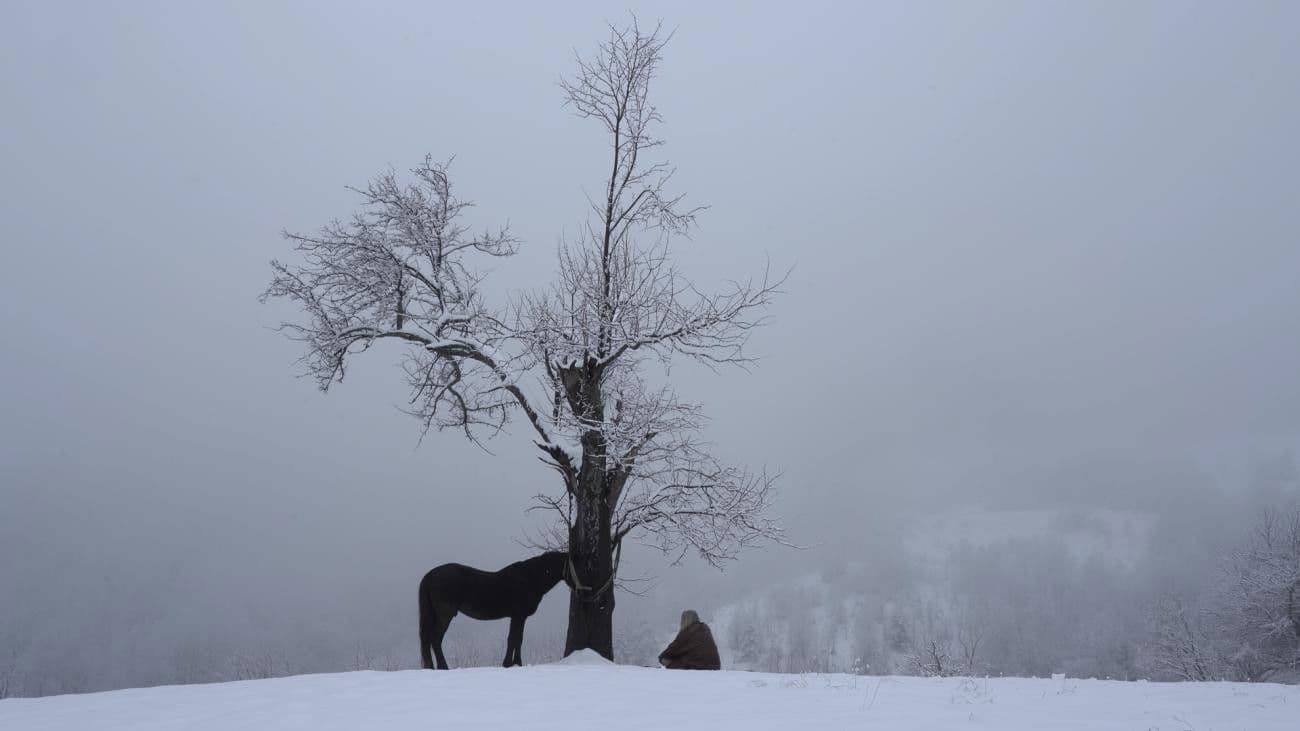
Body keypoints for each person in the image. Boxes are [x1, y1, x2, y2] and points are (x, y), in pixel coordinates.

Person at [658, 609, 722, 670]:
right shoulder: (704, 629)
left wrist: (661, 658)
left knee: (666, 660)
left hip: (699, 666)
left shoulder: (688, 632)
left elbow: (674, 648)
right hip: (714, 666)